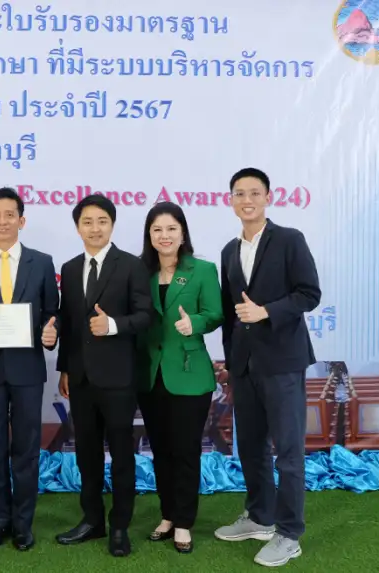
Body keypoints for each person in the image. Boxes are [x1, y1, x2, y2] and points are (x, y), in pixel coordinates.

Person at [214, 168, 321, 568]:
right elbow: (229, 313)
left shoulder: (290, 239)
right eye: (239, 193)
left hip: (283, 361)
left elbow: (309, 294)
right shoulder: (228, 251)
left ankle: (289, 533)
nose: (247, 200)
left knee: (288, 452)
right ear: (231, 200)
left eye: (254, 193)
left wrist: (267, 312)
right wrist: (230, 361)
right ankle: (260, 516)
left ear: (268, 197)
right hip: (244, 366)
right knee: (250, 446)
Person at [0, 187, 60, 551]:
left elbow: (53, 311)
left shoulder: (42, 262)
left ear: (22, 220)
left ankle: (23, 524)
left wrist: (51, 332)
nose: (2, 221)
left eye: (9, 215)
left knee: (27, 449)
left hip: (28, 369)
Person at [54, 194, 152, 557]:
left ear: (112, 224)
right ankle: (92, 520)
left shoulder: (131, 265)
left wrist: (112, 325)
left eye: (102, 221)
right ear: (77, 227)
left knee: (122, 454)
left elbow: (146, 316)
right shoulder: (69, 268)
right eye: (87, 222)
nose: (94, 229)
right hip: (80, 378)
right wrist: (64, 368)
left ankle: (120, 526)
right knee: (87, 453)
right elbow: (69, 323)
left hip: (118, 377)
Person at [137, 201, 223, 554]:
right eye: (157, 229)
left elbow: (215, 313)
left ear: (183, 233)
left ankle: (184, 521)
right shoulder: (139, 272)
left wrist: (195, 323)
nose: (165, 235)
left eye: (171, 228)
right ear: (149, 236)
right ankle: (168, 514)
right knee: (160, 449)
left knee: (186, 449)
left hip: (189, 373)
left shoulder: (202, 270)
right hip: (149, 374)